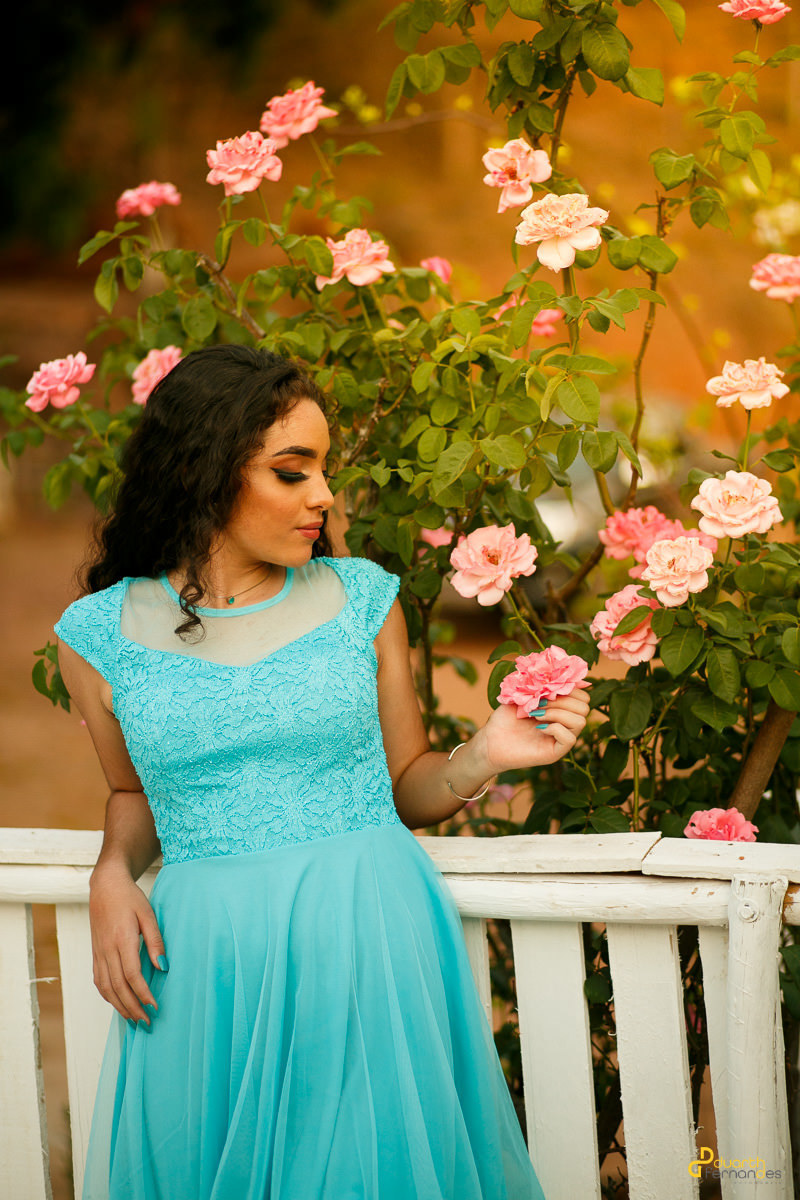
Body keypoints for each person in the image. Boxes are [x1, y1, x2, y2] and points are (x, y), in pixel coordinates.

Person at [53, 343, 590, 1200]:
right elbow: (131, 790)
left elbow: (407, 781)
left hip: (366, 935)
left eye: (324, 471)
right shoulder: (94, 634)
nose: (325, 497)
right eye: (292, 472)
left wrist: (487, 753)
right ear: (205, 472)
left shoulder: (360, 599)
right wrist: (112, 873)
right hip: (204, 962)